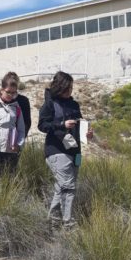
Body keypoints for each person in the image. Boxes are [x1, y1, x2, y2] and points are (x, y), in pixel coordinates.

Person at [38, 71, 93, 231]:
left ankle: (53, 221)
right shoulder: (49, 104)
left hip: (75, 152)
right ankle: (68, 224)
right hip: (56, 150)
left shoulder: (74, 105)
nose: (70, 90)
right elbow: (42, 125)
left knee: (63, 186)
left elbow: (81, 124)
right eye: (67, 87)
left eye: (71, 87)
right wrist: (62, 124)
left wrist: (87, 133)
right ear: (59, 86)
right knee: (68, 186)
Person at [4, 71, 32, 137]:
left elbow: (27, 122)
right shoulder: (0, 100)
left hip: (16, 138)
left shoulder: (23, 100)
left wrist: (20, 139)